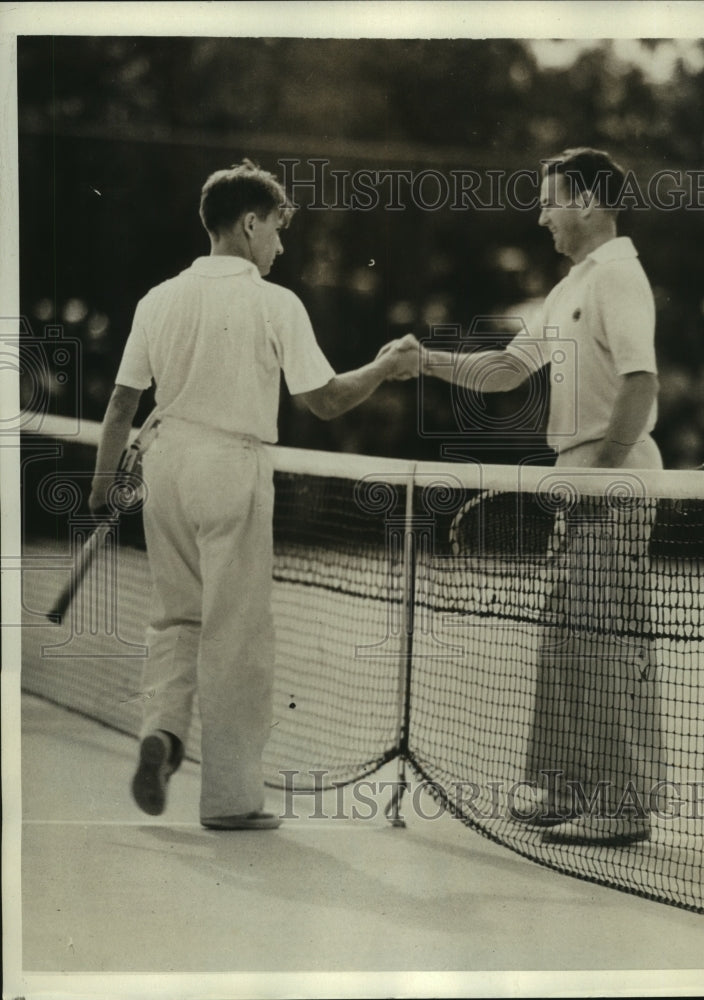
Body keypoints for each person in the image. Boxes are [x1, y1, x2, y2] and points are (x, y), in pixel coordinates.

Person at [88, 159, 418, 831]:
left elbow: (122, 402)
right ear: (248, 224)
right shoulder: (274, 303)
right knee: (237, 636)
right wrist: (385, 368)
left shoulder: (158, 299)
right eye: (277, 229)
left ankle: (162, 732)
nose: (281, 245)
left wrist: (99, 487)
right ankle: (233, 799)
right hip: (230, 470)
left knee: (177, 621)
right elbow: (325, 401)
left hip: (164, 469)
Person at [389, 148, 665, 845]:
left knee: (604, 638)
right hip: (584, 478)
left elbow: (640, 384)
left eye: (551, 201)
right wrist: (427, 361)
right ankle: (572, 787)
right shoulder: (572, 284)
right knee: (565, 638)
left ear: (591, 202)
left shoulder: (619, 277)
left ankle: (624, 805)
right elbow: (509, 371)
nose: (541, 216)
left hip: (614, 473)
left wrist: (600, 478)